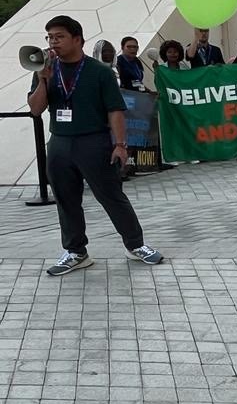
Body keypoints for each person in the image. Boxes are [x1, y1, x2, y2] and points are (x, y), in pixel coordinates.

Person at [26, 16, 163, 276]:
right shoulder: (45, 69)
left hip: (94, 141)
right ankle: (76, 251)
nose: (53, 42)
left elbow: (115, 110)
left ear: (78, 39)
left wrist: (120, 145)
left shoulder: (99, 71)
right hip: (60, 143)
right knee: (66, 199)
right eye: (50, 37)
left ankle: (135, 245)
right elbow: (35, 109)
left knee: (111, 196)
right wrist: (44, 79)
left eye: (59, 36)